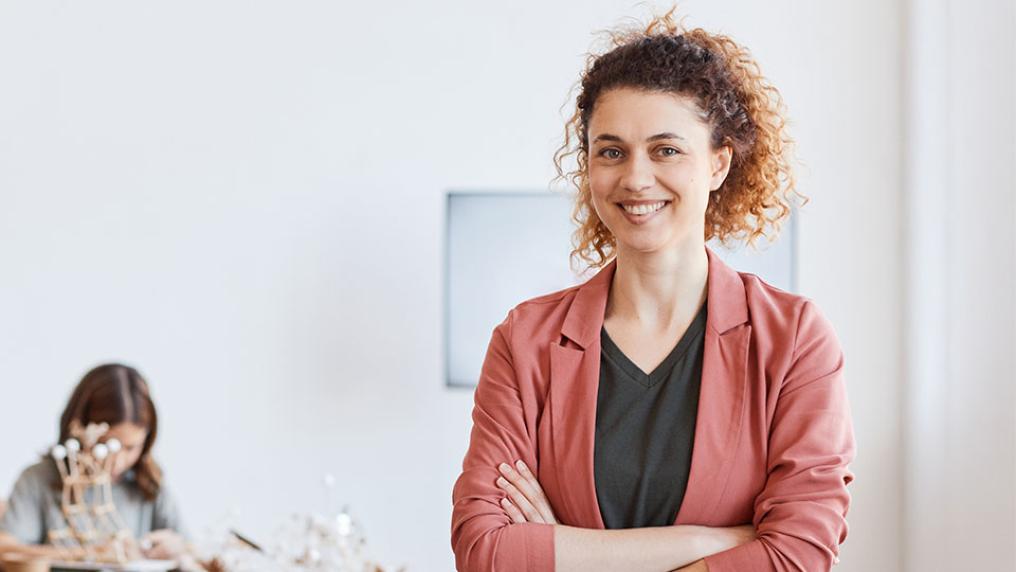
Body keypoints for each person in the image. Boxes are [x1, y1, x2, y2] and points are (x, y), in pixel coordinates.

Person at [450, 9, 855, 572]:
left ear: (718, 163)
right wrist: (705, 543)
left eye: (666, 150)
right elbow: (484, 551)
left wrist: (566, 551)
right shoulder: (525, 341)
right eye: (611, 151)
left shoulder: (793, 339)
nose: (636, 179)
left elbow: (797, 555)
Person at [0, 363, 193, 564]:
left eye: (131, 448)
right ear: (78, 428)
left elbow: (193, 548)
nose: (117, 462)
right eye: (105, 445)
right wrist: (90, 554)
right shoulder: (39, 479)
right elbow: (5, 551)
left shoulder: (148, 483)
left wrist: (178, 548)